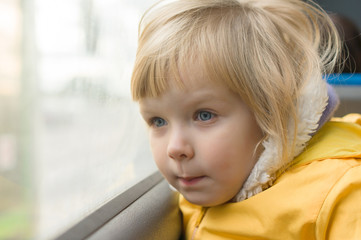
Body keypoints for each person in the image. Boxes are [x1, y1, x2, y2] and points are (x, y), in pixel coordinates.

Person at [131, 0, 361, 239]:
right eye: (158, 121)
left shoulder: (340, 193)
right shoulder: (206, 181)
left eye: (204, 115)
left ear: (269, 109)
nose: (175, 148)